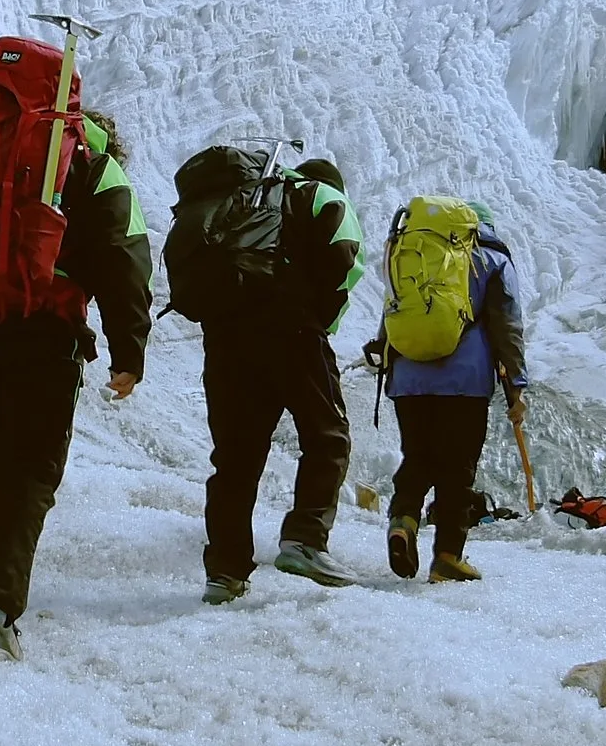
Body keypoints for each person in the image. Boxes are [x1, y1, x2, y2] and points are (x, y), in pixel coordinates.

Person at [0, 108, 152, 663]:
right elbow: (125, 258)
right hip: (41, 330)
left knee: (3, 471)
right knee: (34, 474)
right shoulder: (95, 169)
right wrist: (128, 352)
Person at [196, 157, 364, 603]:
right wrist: (315, 317)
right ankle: (305, 540)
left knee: (235, 458)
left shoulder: (245, 202)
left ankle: (225, 572)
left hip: (226, 338)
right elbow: (344, 258)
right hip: (292, 332)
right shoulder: (322, 196)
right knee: (328, 437)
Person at [366, 200, 528, 583]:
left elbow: (394, 313)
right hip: (464, 383)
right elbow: (506, 325)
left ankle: (403, 520)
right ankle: (447, 557)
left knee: (418, 455)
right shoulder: (491, 258)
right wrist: (517, 386)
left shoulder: (415, 253)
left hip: (408, 378)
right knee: (457, 468)